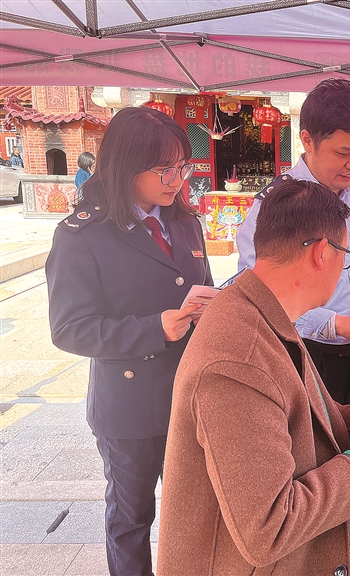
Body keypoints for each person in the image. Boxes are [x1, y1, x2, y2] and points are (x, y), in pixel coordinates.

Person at [157, 178, 350, 576]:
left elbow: (317, 413)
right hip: (254, 562)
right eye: (346, 255)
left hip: (289, 537)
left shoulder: (263, 310)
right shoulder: (238, 361)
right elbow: (269, 530)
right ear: (321, 253)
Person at [45, 106, 212, 576]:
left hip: (190, 397)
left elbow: (199, 286)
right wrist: (155, 328)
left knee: (195, 514)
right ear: (126, 164)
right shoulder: (83, 235)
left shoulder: (185, 222)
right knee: (131, 518)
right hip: (130, 405)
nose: (176, 180)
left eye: (182, 167)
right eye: (163, 169)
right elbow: (69, 328)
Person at [236, 79, 350, 409]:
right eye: (343, 152)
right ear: (308, 140)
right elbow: (258, 295)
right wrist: (334, 324)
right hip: (306, 357)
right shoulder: (274, 205)